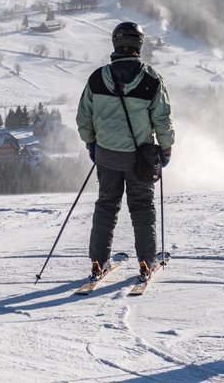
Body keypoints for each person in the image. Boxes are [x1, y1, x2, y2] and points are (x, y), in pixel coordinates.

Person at [76, 21, 174, 281]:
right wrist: (166, 148)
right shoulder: (152, 79)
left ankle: (98, 262)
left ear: (115, 43)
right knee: (142, 208)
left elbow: (84, 118)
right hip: (140, 159)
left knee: (106, 206)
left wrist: (92, 144)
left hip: (107, 155)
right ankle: (146, 262)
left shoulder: (98, 78)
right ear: (139, 45)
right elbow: (162, 120)